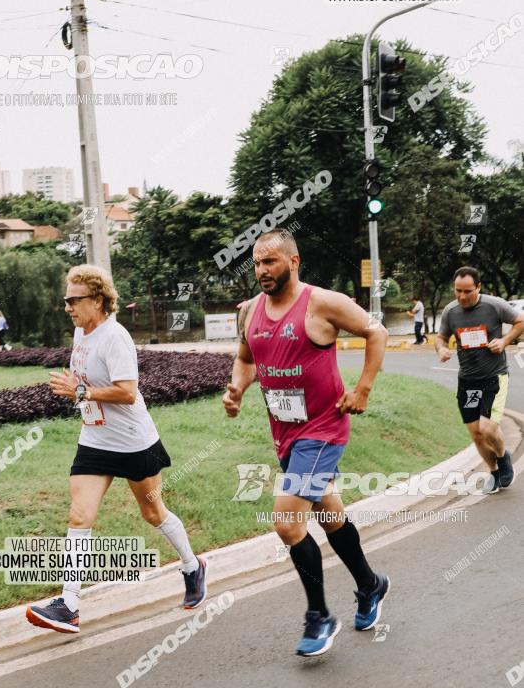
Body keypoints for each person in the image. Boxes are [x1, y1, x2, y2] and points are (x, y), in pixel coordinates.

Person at [223, 229, 390, 657]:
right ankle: (371, 585)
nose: (262, 270)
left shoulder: (322, 303)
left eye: (271, 262)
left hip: (323, 430)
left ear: (293, 262)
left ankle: (319, 617)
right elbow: (245, 360)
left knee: (287, 521)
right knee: (331, 516)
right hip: (286, 434)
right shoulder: (249, 313)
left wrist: (363, 389)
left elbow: (378, 333)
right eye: (257, 263)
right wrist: (237, 389)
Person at [26, 265, 206, 634]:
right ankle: (69, 604)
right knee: (79, 516)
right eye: (66, 299)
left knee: (153, 513)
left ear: (97, 300)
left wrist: (82, 391)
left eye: (73, 300)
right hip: (95, 440)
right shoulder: (81, 332)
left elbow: (126, 391)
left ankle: (192, 566)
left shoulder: (116, 337)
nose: (67, 307)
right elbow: (87, 382)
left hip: (133, 442)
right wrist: (79, 387)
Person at [435, 266, 524, 494]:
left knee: (488, 429)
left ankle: (503, 457)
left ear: (479, 287)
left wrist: (504, 342)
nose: (462, 297)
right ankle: (494, 473)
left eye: (467, 291)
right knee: (476, 433)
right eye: (458, 291)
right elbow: (441, 337)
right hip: (467, 381)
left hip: (494, 376)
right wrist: (441, 349)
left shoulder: (494, 305)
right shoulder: (450, 311)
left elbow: (520, 322)